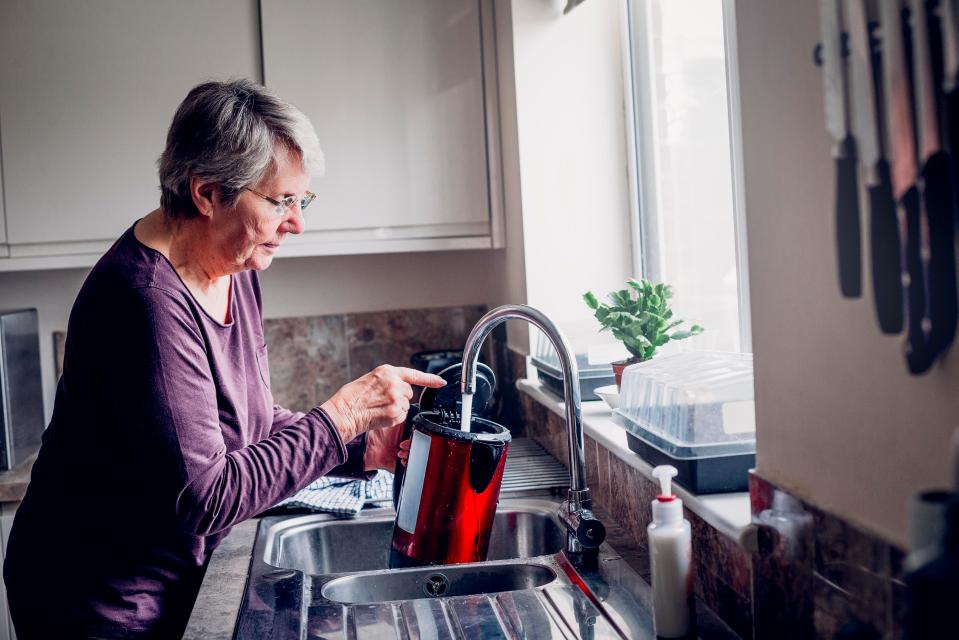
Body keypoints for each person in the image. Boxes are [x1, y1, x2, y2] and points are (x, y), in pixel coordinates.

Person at [2, 79, 442, 638]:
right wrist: (342, 417)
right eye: (280, 200)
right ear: (207, 194)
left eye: (301, 199)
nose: (297, 222)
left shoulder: (233, 265)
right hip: (100, 599)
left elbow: (248, 424)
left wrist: (360, 445)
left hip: (168, 577)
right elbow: (204, 497)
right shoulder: (145, 303)